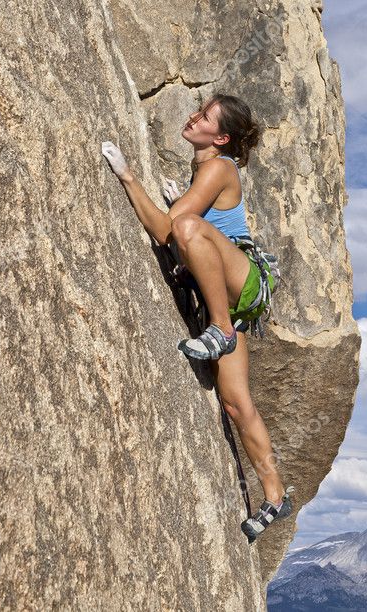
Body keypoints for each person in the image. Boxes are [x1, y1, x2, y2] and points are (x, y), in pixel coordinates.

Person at [101, 93, 293, 543]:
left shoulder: (219, 167)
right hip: (230, 294)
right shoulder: (203, 170)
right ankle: (276, 496)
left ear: (221, 137)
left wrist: (130, 179)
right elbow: (174, 226)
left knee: (187, 228)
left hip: (241, 285)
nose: (193, 116)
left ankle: (220, 329)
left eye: (204, 116)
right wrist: (145, 185)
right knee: (235, 404)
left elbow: (171, 229)